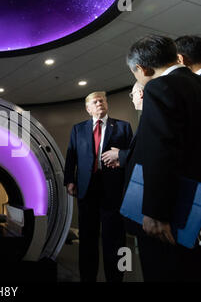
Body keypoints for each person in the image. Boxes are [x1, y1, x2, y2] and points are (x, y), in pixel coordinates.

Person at [125, 34, 201, 281]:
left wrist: (155, 213)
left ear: (142, 68)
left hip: (170, 213)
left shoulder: (160, 87)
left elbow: (160, 151)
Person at [64, 91, 133, 282]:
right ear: (88, 108)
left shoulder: (123, 127)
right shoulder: (78, 129)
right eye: (95, 101)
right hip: (87, 190)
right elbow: (71, 157)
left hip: (113, 190)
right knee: (87, 239)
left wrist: (122, 157)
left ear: (107, 104)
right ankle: (87, 278)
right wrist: (70, 180)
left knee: (116, 239)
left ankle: (117, 277)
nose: (100, 103)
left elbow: (131, 156)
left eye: (102, 100)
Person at [101, 82, 144, 169]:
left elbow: (149, 151)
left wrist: (119, 154)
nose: (132, 99)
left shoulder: (151, 116)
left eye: (132, 94)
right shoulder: (146, 116)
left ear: (140, 93)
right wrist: (123, 160)